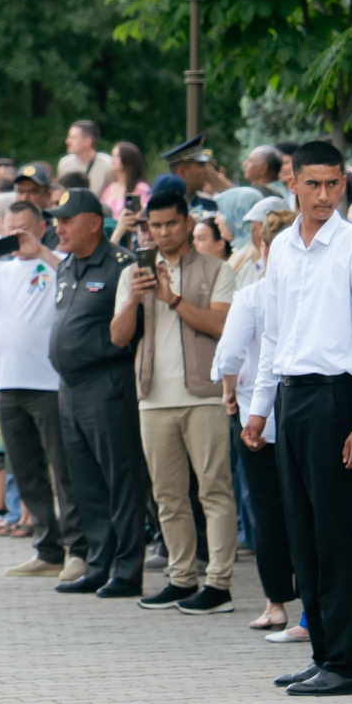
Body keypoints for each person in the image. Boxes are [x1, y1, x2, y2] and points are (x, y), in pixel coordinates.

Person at [243, 141, 352, 697]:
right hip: (290, 396)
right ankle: (323, 652)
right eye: (314, 184)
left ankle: (348, 665)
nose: (325, 195)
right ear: (294, 184)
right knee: (300, 533)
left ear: (345, 186)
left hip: (337, 399)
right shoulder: (281, 247)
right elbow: (274, 334)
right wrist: (259, 410)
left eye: (334, 184)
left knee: (335, 536)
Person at [110, 188, 235, 612]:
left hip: (204, 396)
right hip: (153, 397)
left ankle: (219, 583)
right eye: (155, 226)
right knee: (167, 495)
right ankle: (182, 578)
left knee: (215, 491)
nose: (162, 233)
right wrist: (134, 298)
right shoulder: (134, 272)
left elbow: (222, 326)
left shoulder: (217, 269)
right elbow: (118, 336)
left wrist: (173, 299)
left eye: (170, 224)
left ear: (186, 223)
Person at [0, 194, 81, 578]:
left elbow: (74, 279)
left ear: (41, 228)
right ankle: (47, 546)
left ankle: (78, 548)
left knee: (62, 468)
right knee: (24, 469)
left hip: (48, 383)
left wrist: (39, 250)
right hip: (8, 383)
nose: (15, 239)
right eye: (8, 232)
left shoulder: (57, 264)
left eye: (22, 231)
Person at [46, 189, 148, 596]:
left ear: (93, 222)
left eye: (67, 219)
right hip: (69, 387)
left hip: (107, 382)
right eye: (56, 220)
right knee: (85, 480)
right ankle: (98, 561)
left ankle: (127, 570)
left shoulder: (121, 264)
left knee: (119, 479)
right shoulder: (66, 265)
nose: (59, 227)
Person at [214, 208, 297, 635]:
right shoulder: (309, 293)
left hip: (256, 421)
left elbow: (229, 355)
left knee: (268, 512)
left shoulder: (252, 296)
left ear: (264, 246)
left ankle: (276, 602)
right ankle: (311, 603)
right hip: (304, 417)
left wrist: (229, 389)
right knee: (305, 509)